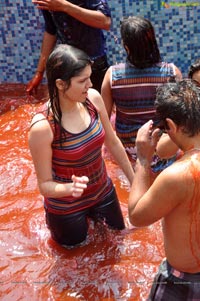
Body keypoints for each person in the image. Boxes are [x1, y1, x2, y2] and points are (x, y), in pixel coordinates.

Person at [28, 44, 134, 247]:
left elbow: (112, 141)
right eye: (82, 81)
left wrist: (134, 180)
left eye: (90, 77)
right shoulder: (43, 127)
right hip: (66, 207)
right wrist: (70, 188)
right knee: (74, 257)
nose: (90, 84)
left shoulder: (92, 100)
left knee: (120, 243)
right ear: (60, 84)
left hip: (102, 191)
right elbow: (44, 186)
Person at [128, 79, 200, 300]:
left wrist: (142, 159)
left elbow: (137, 216)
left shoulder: (176, 176)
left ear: (172, 126)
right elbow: (166, 149)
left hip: (183, 280)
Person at [101, 16, 182, 171]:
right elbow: (181, 120)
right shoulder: (171, 73)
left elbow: (103, 123)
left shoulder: (112, 76)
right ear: (153, 42)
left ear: (126, 47)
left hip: (127, 155)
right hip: (163, 153)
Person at [26, 0, 111, 94]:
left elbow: (105, 21)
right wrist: (39, 72)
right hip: (67, 65)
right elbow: (51, 31)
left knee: (97, 105)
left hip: (94, 64)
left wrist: (65, 6)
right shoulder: (47, 1)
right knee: (68, 106)